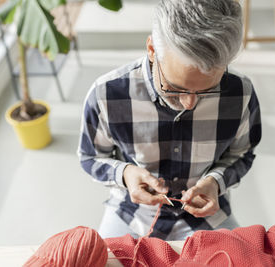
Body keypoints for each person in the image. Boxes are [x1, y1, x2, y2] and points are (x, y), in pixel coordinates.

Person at [77, 0, 261, 241]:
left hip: (208, 215)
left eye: (208, 89)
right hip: (132, 214)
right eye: (175, 88)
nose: (189, 104)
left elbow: (243, 153)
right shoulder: (106, 95)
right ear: (152, 49)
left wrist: (216, 183)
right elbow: (90, 157)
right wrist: (126, 174)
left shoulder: (241, 94)